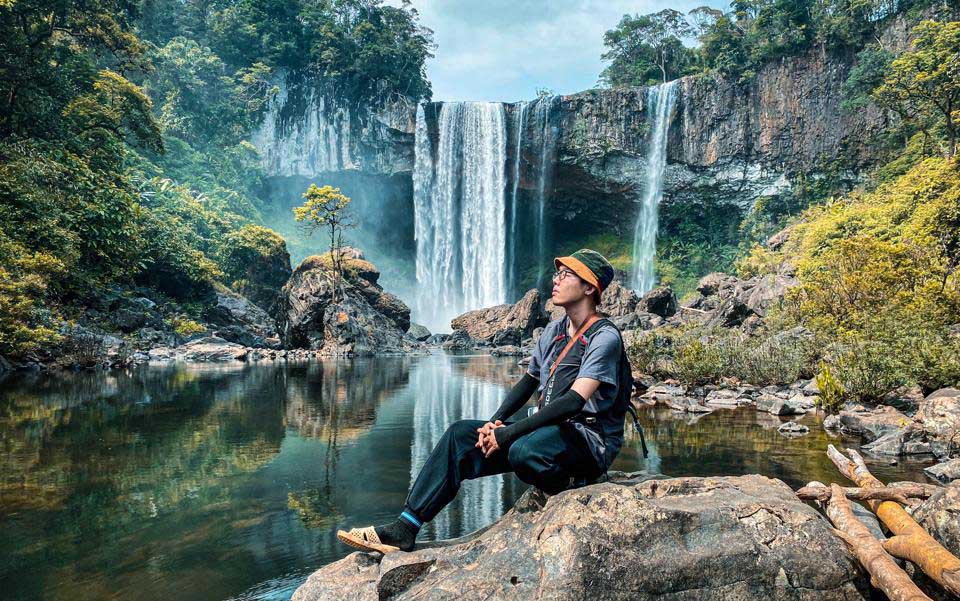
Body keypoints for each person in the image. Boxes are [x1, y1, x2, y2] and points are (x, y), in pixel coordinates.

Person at [337, 249, 630, 554]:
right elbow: (529, 381)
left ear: (589, 287)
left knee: (524, 450)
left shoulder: (603, 337)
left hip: (588, 440)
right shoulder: (555, 331)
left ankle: (575, 486)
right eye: (557, 274)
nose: (555, 280)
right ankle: (405, 527)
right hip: (550, 432)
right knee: (460, 436)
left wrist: (509, 434)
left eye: (565, 275)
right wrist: (494, 423)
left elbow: (572, 401)